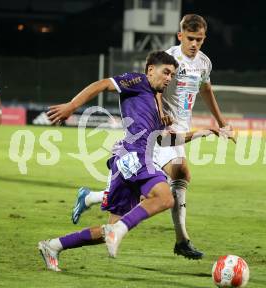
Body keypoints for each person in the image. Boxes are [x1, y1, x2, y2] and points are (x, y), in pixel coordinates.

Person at [38, 51, 220, 272]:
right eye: (166, 73)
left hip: (130, 160)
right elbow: (103, 84)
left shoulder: (157, 104)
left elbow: (163, 139)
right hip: (135, 155)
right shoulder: (137, 81)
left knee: (109, 230)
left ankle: (53, 246)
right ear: (150, 69)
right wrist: (72, 105)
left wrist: (200, 133)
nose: (169, 79)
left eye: (172, 75)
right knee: (165, 198)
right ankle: (119, 229)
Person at [71, 14, 235, 260]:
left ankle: (92, 197)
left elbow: (206, 90)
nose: (194, 44)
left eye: (199, 39)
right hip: (159, 130)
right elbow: (154, 86)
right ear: (180, 36)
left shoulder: (204, 63)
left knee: (149, 188)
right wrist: (160, 113)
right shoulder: (170, 58)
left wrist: (223, 123)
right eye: (190, 38)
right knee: (170, 179)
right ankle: (181, 240)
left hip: (179, 128)